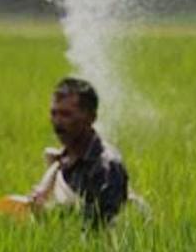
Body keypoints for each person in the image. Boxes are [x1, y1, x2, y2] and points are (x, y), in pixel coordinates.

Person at [21, 78, 129, 226]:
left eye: (66, 114)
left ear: (91, 118)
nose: (57, 122)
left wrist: (47, 215)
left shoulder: (106, 167)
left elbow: (102, 229)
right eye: (54, 113)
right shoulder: (60, 161)